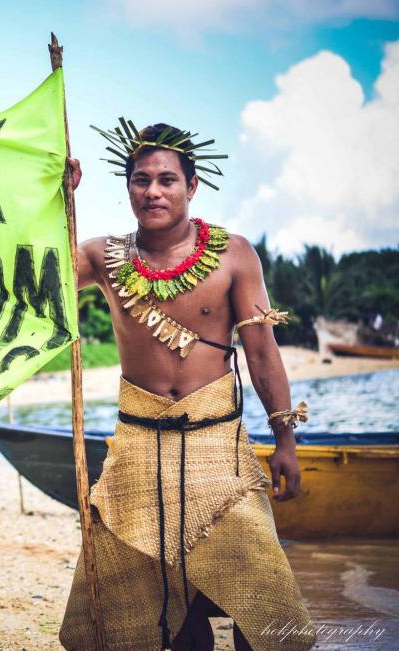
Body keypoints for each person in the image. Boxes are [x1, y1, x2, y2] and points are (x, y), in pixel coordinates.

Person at [58, 122, 313, 650]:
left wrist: (285, 441)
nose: (153, 191)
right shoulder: (103, 255)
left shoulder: (234, 254)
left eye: (167, 180)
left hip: (218, 450)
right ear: (128, 187)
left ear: (191, 186)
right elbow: (38, 272)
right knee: (151, 606)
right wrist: (59, 200)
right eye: (141, 180)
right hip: (137, 451)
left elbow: (262, 353)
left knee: (258, 601)